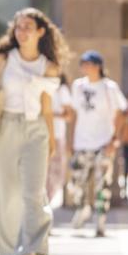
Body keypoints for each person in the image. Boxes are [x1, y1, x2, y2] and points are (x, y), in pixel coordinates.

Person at [0, 8, 67, 255]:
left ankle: (31, 249)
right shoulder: (2, 59)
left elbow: (47, 107)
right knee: (6, 194)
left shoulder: (49, 66)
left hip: (37, 131)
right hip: (5, 128)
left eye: (28, 27)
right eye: (18, 27)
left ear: (40, 32)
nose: (22, 32)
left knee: (34, 192)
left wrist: (53, 139)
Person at [68, 51, 127, 237]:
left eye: (88, 63)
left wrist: (115, 140)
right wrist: (70, 141)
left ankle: (101, 219)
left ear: (98, 66)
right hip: (81, 142)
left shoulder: (109, 87)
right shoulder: (78, 86)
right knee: (78, 181)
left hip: (103, 141)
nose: (85, 67)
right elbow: (74, 114)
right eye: (82, 64)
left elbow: (120, 115)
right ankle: (82, 208)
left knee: (103, 184)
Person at [46, 75, 73, 203]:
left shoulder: (62, 90)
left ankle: (48, 200)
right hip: (41, 134)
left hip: (56, 135)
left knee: (56, 171)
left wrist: (50, 114)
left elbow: (68, 115)